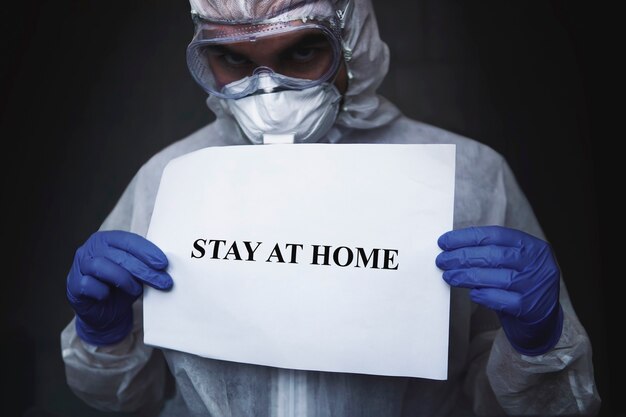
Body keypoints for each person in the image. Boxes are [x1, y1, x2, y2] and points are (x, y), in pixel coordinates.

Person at [60, 0, 601, 416]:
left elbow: (535, 407)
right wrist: (105, 336)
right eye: (232, 58)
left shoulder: (468, 176)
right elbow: (126, 399)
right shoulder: (170, 179)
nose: (267, 90)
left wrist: (536, 343)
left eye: (300, 52)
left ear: (353, 42)